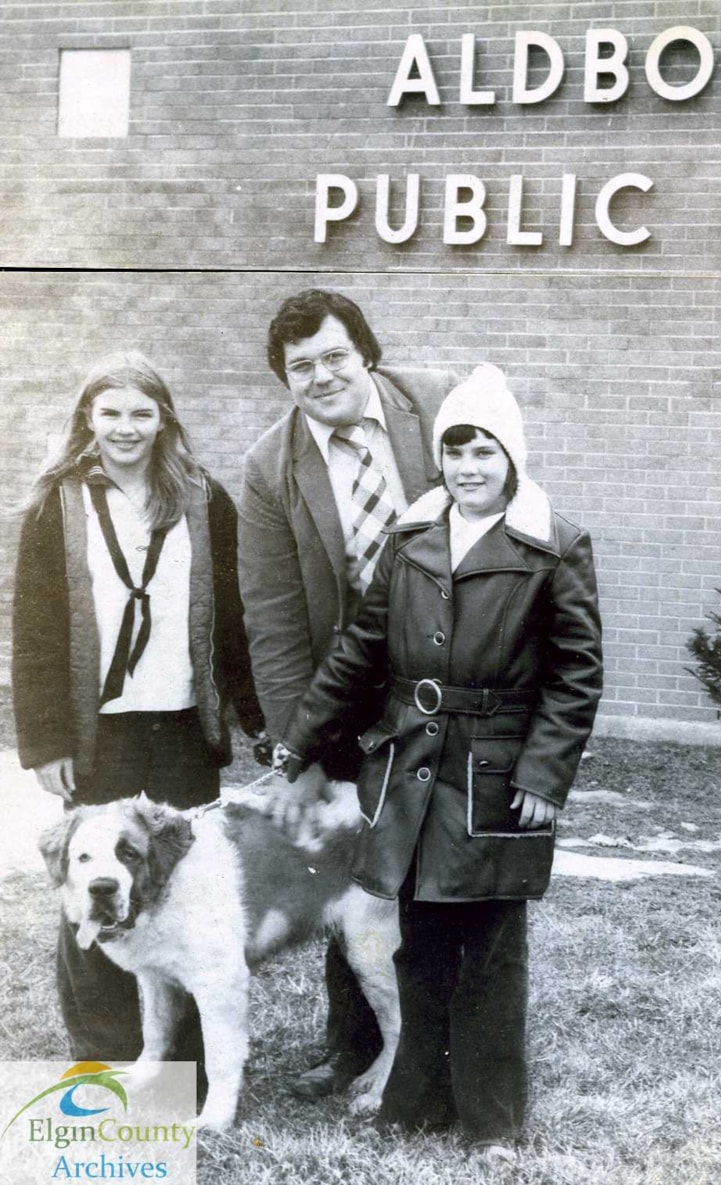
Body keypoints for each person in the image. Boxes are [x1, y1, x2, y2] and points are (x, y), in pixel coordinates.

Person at [277, 363, 603, 1161]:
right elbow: (359, 647)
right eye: (453, 451)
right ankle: (416, 1099)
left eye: (483, 451)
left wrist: (542, 774)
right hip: (412, 771)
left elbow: (577, 674)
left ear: (512, 457)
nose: (467, 467)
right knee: (418, 945)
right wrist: (302, 735)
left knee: (491, 950)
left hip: (495, 777)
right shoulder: (411, 538)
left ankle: (492, 1120)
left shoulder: (553, 546)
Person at [11, 350, 264, 1072]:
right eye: (111, 411)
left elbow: (233, 619)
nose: (126, 427)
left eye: (142, 413)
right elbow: (34, 632)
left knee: (183, 895)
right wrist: (47, 740)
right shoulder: (54, 503)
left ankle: (174, 1064)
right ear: (88, 417)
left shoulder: (202, 497)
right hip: (101, 734)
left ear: (164, 420)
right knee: (92, 888)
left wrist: (254, 717)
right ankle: (103, 1055)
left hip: (181, 727)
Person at [238, 288, 458, 1100]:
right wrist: (297, 750)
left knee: (448, 857)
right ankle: (350, 1042)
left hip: (457, 672)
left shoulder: (438, 404)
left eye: (335, 355)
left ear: (365, 351)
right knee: (352, 859)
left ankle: (449, 1039)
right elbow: (273, 618)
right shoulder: (270, 467)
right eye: (301, 367)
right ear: (285, 380)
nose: (322, 375)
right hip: (351, 691)